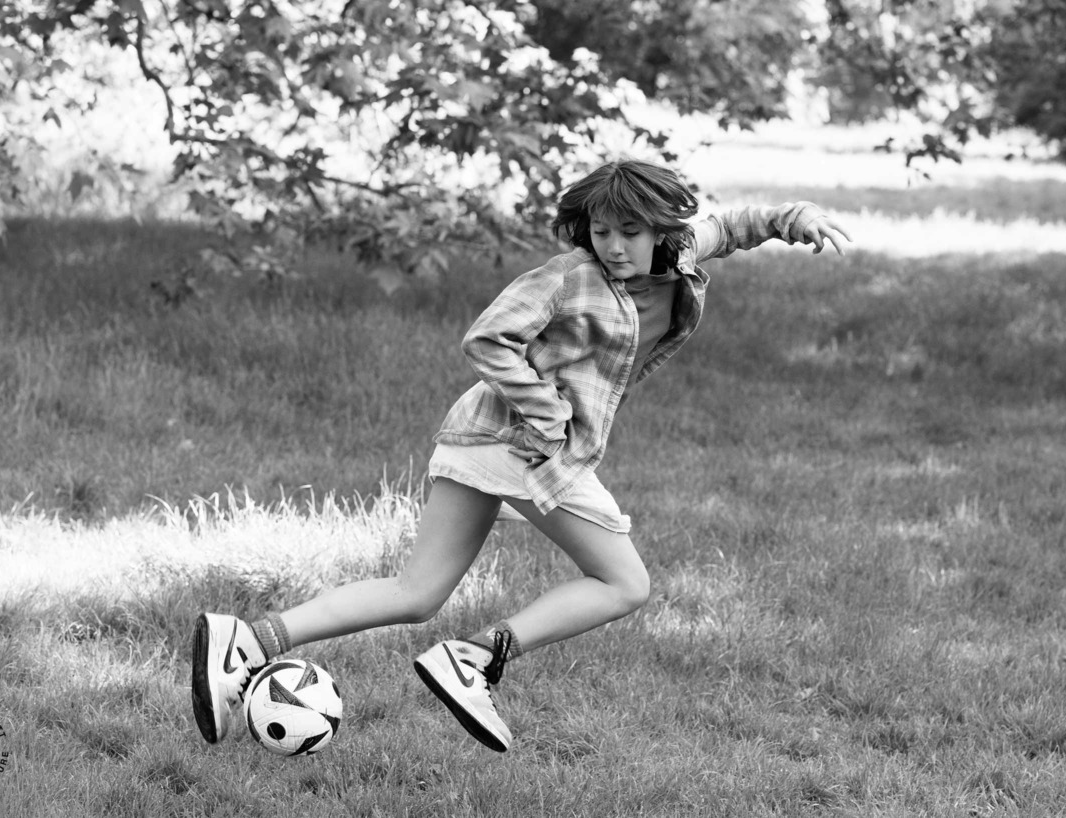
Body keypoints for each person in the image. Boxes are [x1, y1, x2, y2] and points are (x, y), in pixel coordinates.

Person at [191, 159, 853, 752]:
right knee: (625, 583)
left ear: (658, 230)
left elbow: (734, 226)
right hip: (523, 442)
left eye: (629, 231)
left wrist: (798, 219)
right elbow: (487, 339)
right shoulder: (568, 277)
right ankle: (473, 659)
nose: (615, 246)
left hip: (477, 435)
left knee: (416, 592)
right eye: (600, 232)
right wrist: (549, 415)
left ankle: (250, 640)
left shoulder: (676, 253)